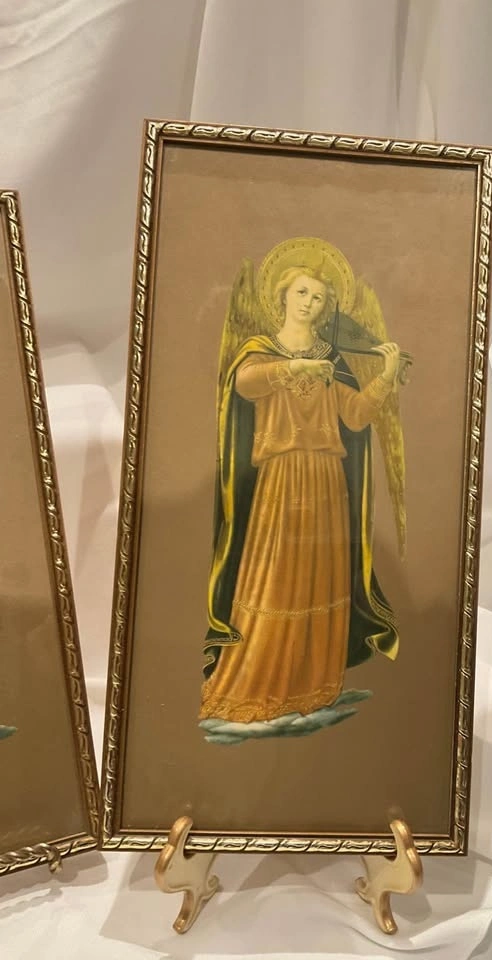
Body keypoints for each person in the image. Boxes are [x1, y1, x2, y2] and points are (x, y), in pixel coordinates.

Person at [198, 265, 402, 736]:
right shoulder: (259, 352)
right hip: (282, 478)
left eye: (318, 297)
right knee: (275, 579)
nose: (309, 303)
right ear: (283, 297)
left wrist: (386, 377)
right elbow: (246, 384)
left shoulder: (331, 358)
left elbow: (355, 416)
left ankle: (309, 688)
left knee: (319, 579)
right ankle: (253, 689)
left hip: (326, 481)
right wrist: (294, 368)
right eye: (302, 293)